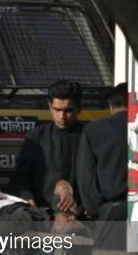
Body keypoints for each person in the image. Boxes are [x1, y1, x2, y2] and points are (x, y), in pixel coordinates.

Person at [8, 80, 85, 216]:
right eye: (57, 110)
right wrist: (27, 199)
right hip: (42, 214)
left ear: (79, 108)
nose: (62, 116)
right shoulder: (36, 137)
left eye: (68, 110)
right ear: (49, 106)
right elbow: (19, 178)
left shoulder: (89, 136)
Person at [76, 83, 128, 222]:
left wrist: (94, 209)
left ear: (111, 106)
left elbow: (85, 175)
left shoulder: (93, 130)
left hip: (111, 212)